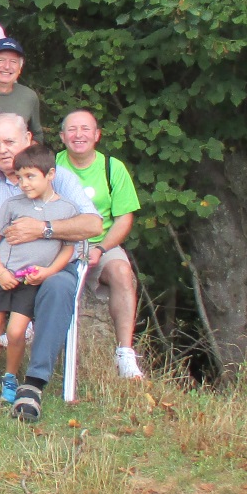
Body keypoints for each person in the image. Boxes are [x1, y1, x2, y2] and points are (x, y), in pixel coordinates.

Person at [0, 115, 102, 422]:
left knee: (59, 286)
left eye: (9, 142)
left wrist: (44, 229)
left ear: (28, 139)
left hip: (46, 271)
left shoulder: (57, 177)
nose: (2, 150)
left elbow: (92, 224)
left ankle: (34, 381)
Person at [0, 145, 79, 408]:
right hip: (3, 275)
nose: (24, 183)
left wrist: (49, 272)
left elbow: (69, 247)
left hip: (30, 279)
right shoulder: (12, 204)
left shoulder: (66, 209)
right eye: (19, 177)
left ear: (50, 174)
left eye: (31, 176)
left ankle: (10, 378)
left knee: (16, 331)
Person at [59, 110, 146, 379]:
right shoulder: (51, 166)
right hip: (60, 243)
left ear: (97, 135)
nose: (78, 135)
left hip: (100, 243)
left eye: (85, 129)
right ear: (62, 137)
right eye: (72, 129)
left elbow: (123, 219)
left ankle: (125, 354)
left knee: (122, 273)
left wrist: (100, 249)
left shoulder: (112, 168)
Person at [0, 37, 43, 142]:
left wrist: (26, 156)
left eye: (13, 61)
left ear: (20, 68)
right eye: (1, 60)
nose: (7, 66)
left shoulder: (28, 96)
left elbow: (37, 135)